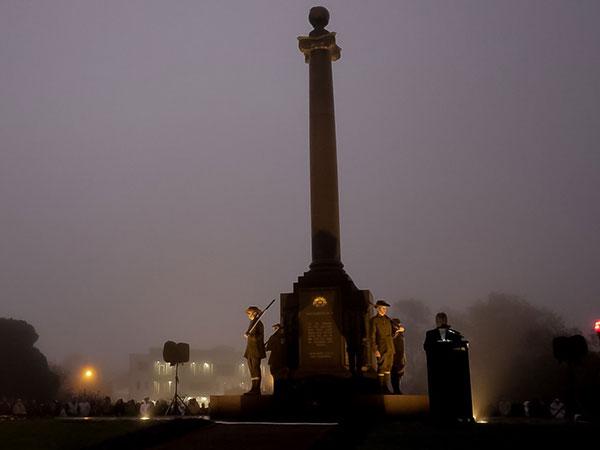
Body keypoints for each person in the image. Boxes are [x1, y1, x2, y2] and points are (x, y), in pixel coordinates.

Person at [370, 300, 395, 393]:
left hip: (390, 347)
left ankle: (386, 388)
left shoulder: (388, 320)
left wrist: (398, 331)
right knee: (382, 367)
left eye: (386, 309)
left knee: (388, 367)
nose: (385, 310)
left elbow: (391, 334)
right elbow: (372, 336)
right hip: (381, 347)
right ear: (378, 309)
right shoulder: (374, 321)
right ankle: (380, 388)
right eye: (383, 308)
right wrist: (375, 349)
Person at [243, 306, 266, 395]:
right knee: (252, 369)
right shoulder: (252, 323)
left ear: (255, 313)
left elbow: (259, 337)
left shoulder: (259, 323)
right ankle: (253, 388)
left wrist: (250, 336)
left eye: (249, 313)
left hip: (256, 350)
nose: (248, 315)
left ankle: (257, 389)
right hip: (250, 350)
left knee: (256, 368)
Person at [265, 323, 287, 394]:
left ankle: (277, 391)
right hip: (282, 359)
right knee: (280, 376)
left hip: (275, 359)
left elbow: (268, 348)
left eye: (275, 328)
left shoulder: (273, 337)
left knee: (275, 375)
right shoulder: (284, 337)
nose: (273, 329)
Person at [390, 318, 406, 394]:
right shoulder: (393, 332)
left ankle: (397, 389)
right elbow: (391, 338)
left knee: (400, 373)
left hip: (401, 355)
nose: (399, 326)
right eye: (397, 324)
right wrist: (397, 331)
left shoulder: (400, 333)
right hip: (394, 355)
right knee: (394, 373)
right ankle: (396, 390)